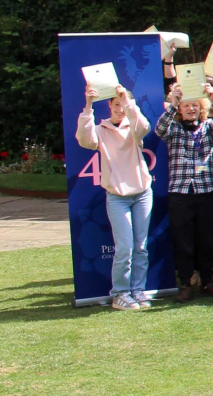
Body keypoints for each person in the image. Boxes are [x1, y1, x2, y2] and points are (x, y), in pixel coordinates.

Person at [154, 81, 213, 302]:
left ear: (201, 108)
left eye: (195, 106)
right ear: (180, 109)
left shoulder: (208, 127)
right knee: (184, 241)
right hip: (180, 192)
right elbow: (159, 130)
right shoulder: (174, 128)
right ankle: (186, 284)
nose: (191, 109)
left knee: (207, 240)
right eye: (186, 106)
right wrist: (172, 103)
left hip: (206, 191)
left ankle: (208, 282)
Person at [78, 86, 156, 310]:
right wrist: (88, 105)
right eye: (116, 104)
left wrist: (127, 100)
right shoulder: (100, 130)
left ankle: (138, 290)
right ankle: (120, 294)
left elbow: (144, 126)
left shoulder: (134, 126)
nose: (121, 109)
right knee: (124, 247)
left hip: (142, 193)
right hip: (117, 196)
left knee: (141, 246)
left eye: (123, 104)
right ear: (109, 106)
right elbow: (85, 139)